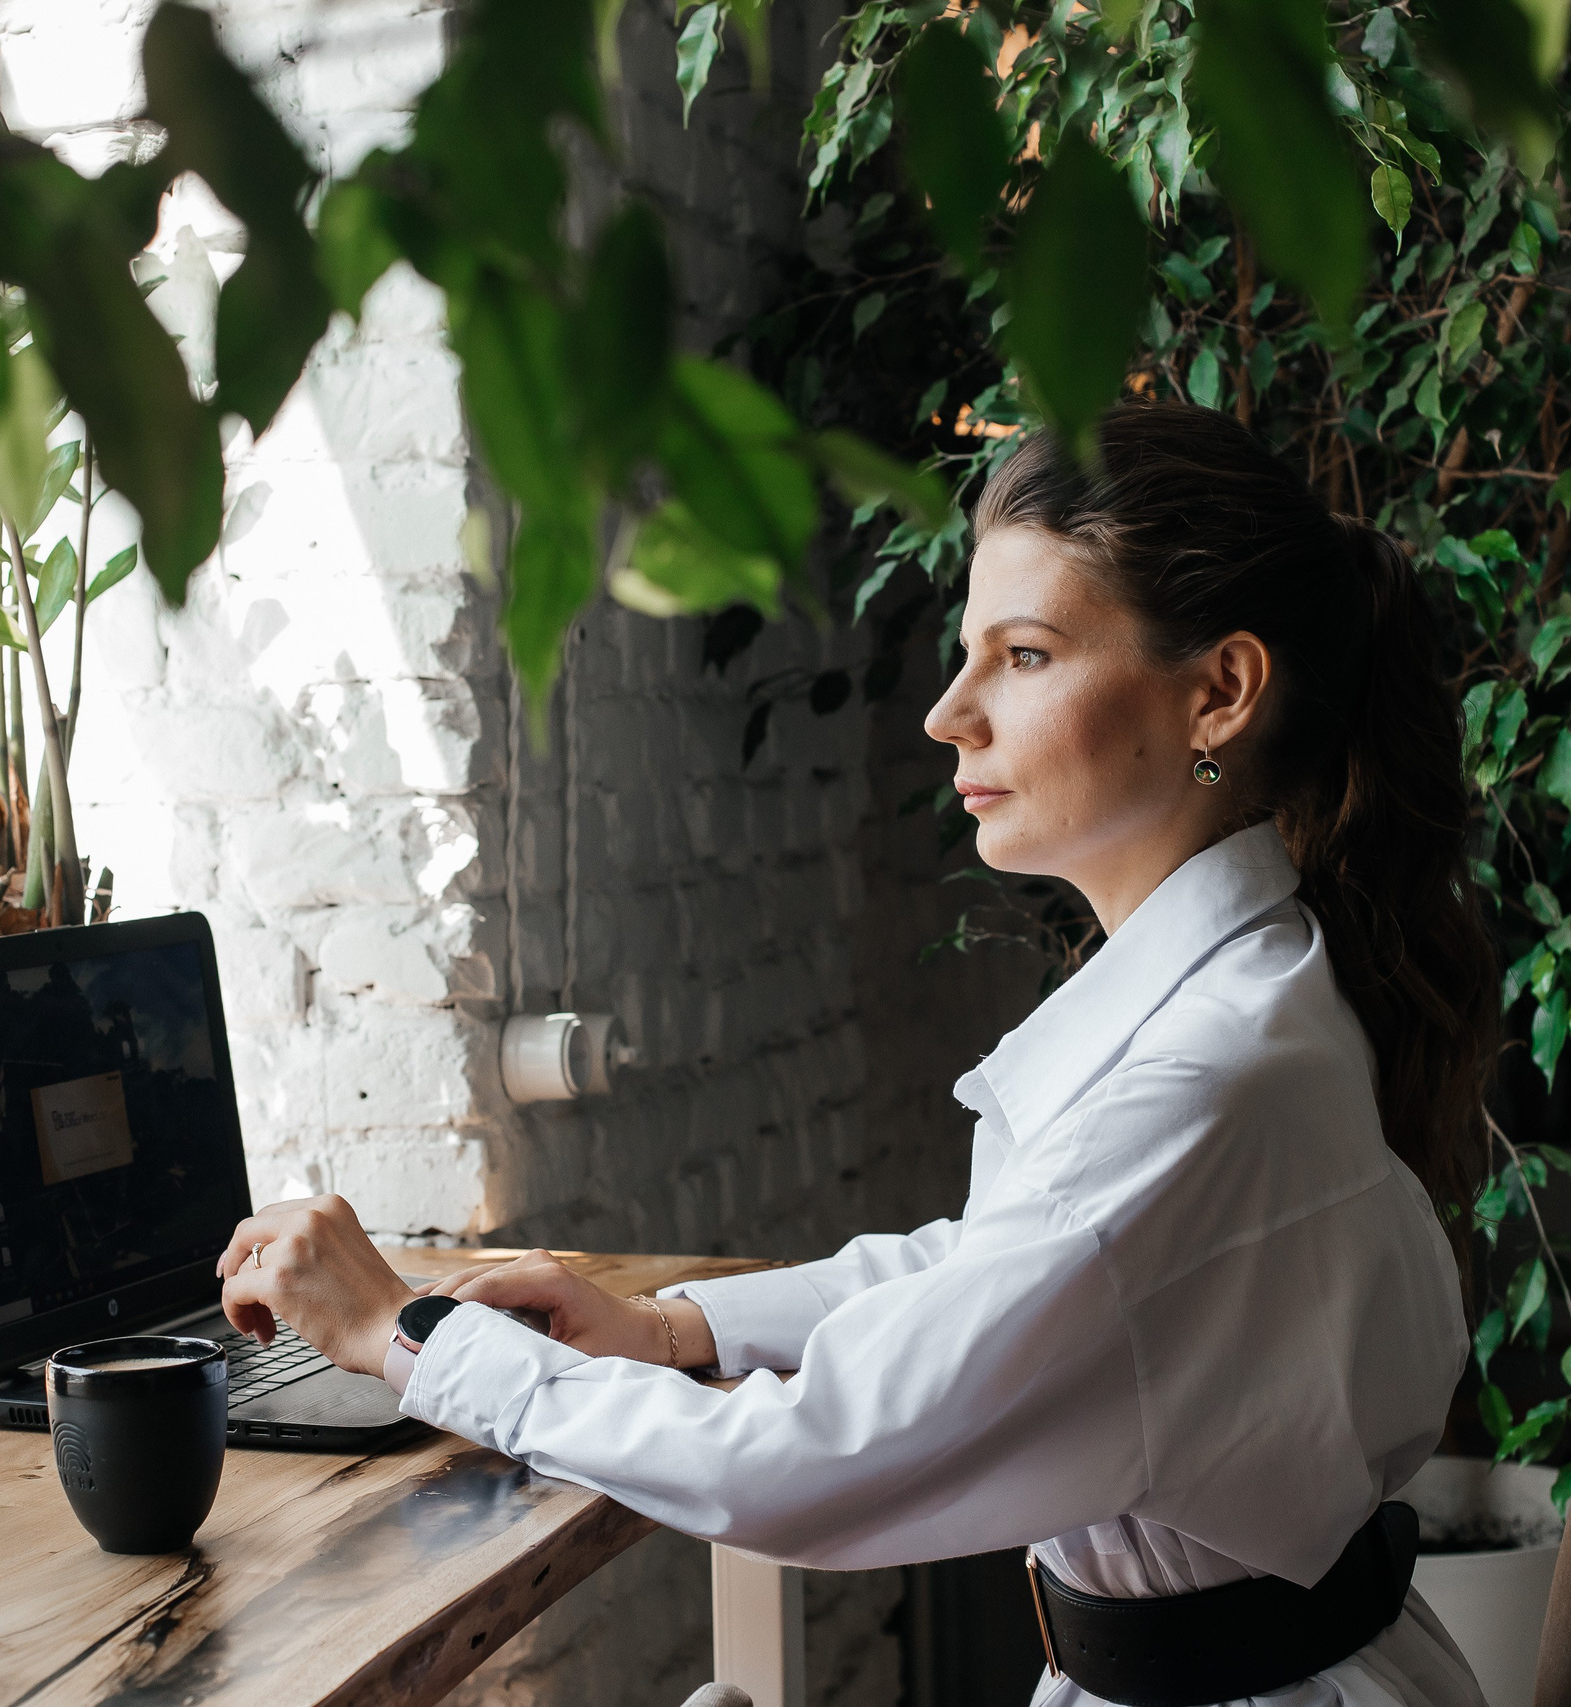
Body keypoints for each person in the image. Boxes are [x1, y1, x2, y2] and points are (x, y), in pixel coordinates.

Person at [216, 400, 1500, 1707]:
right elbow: (996, 1272)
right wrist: (669, 1328)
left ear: (1217, 692)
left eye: (1026, 655)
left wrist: (404, 1331)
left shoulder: (1206, 1077)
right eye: (966, 655)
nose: (950, 714)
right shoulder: (1241, 994)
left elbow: (796, 1468)